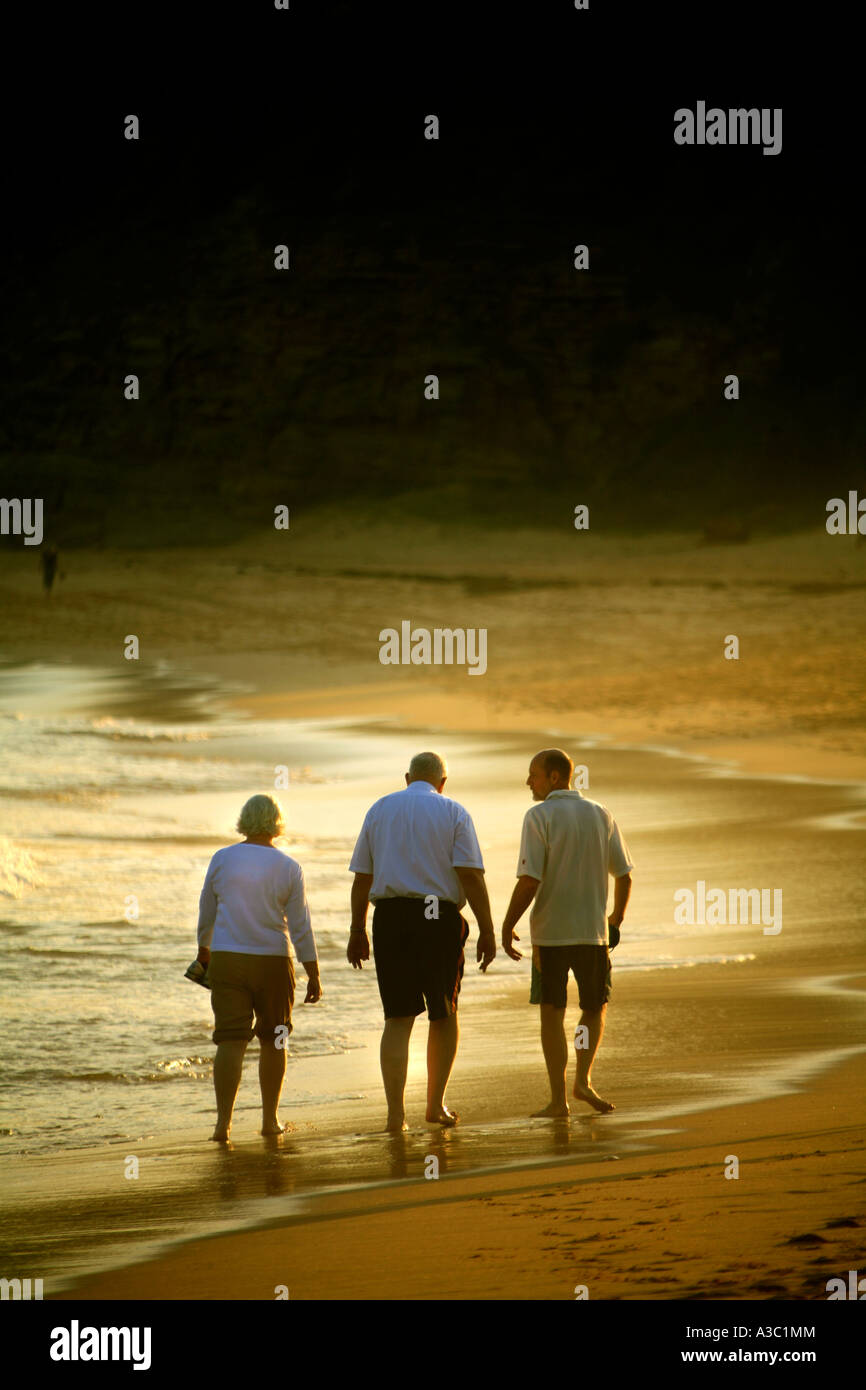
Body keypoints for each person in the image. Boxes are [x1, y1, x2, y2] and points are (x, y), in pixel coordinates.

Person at [347, 751, 496, 1131]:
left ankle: (396, 1116)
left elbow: (362, 877)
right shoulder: (453, 811)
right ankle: (435, 1105)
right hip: (436, 915)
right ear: (442, 782)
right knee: (443, 1013)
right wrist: (487, 927)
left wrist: (357, 929)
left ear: (407, 777)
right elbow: (470, 874)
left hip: (391, 916)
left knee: (397, 1018)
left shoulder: (380, 809)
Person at [501, 749, 633, 1117]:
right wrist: (615, 921)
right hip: (594, 934)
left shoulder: (538, 816)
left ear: (555, 778)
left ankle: (558, 1100)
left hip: (550, 935)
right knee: (593, 1009)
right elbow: (624, 874)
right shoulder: (600, 813)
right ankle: (583, 1080)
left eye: (534, 775)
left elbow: (529, 881)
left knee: (552, 1012)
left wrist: (507, 923)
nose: (529, 781)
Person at [195, 793, 321, 1142]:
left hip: (227, 958)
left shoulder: (222, 859)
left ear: (243, 821)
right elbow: (300, 925)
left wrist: (203, 949)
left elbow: (207, 909)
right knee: (275, 1039)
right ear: (276, 824)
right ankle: (269, 1120)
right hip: (273, 961)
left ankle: (223, 1125)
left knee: (230, 1041)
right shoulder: (289, 867)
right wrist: (312, 971)